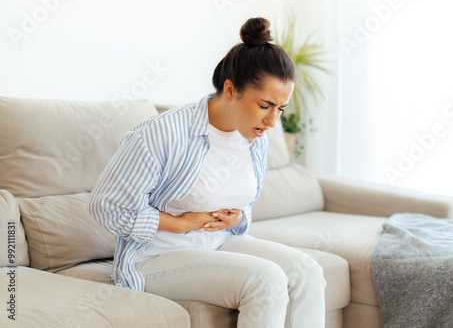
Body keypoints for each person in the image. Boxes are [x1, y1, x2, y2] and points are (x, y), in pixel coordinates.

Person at [88, 17, 326, 328]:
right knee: (266, 281)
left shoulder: (255, 139)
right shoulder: (162, 133)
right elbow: (105, 207)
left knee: (307, 271)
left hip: (216, 244)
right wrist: (179, 223)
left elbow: (245, 207)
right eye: (265, 105)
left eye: (280, 109)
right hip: (156, 257)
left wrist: (238, 219)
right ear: (230, 89)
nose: (272, 122)